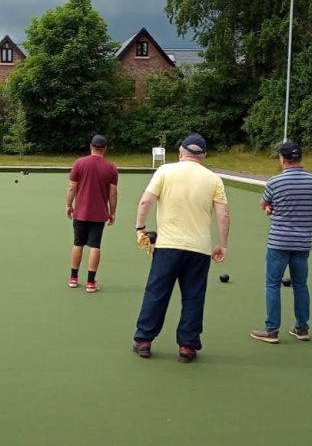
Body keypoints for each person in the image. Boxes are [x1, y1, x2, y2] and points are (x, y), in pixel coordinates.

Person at [132, 133, 230, 363]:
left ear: (180, 151)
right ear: (204, 155)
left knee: (156, 293)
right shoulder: (214, 179)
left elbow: (146, 201)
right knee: (194, 297)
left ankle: (144, 340)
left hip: (168, 246)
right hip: (199, 249)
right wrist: (222, 244)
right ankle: (187, 346)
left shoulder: (165, 171)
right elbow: (223, 214)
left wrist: (140, 228)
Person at [249, 141, 312, 344]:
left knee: (272, 285)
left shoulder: (275, 181)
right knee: (300, 285)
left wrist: (270, 208)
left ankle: (271, 330)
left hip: (279, 242)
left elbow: (264, 203)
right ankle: (302, 328)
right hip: (303, 242)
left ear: (282, 159)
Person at [66, 134, 119, 293]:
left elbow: (71, 187)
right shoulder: (111, 168)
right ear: (105, 149)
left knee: (78, 243)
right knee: (95, 245)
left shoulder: (79, 163)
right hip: (99, 214)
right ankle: (90, 283)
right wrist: (112, 212)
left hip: (80, 212)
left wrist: (68, 205)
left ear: (91, 146)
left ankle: (73, 278)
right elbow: (113, 193)